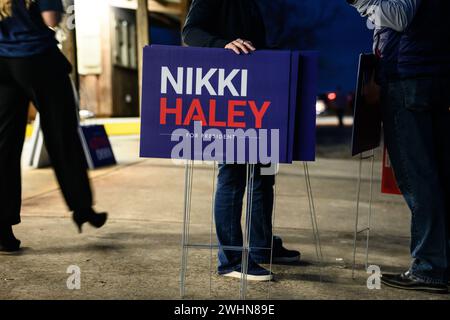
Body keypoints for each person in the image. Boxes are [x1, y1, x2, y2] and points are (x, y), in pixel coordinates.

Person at [182, 0, 301, 282]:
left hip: (256, 94)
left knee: (264, 175)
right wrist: (222, 44)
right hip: (230, 94)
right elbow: (190, 32)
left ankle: (261, 246)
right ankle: (232, 259)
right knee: (233, 175)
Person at [349, 0, 450, 293]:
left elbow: (399, 16)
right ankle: (440, 264)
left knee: (418, 178)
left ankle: (430, 268)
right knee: (439, 177)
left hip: (409, 78)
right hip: (433, 76)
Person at [0, 0, 107, 253]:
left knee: (4, 145)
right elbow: (51, 19)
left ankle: (3, 230)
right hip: (37, 59)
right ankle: (81, 208)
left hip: (2, 63)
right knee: (62, 135)